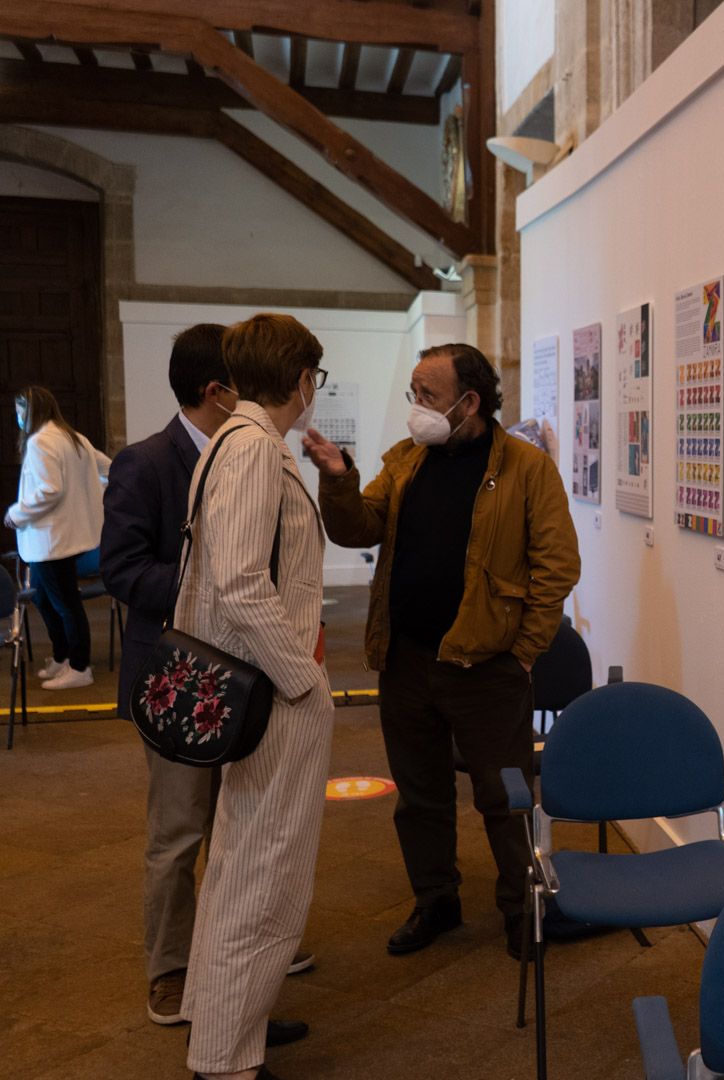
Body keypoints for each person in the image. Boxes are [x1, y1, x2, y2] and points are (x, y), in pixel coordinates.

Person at [307, 343, 579, 960]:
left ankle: (521, 910)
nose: (416, 408)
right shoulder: (406, 461)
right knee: (420, 794)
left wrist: (525, 652)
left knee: (503, 796)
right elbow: (358, 527)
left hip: (487, 667)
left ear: (470, 401)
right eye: (414, 393)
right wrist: (339, 478)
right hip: (406, 660)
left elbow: (557, 566)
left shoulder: (527, 469)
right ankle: (437, 900)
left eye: (427, 395)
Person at [99, 324, 313, 1029]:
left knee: (244, 830)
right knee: (180, 831)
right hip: (185, 676)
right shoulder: (148, 462)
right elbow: (124, 571)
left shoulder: (243, 449)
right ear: (215, 391)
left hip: (250, 677)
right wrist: (212, 589)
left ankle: (232, 965)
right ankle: (171, 969)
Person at [176, 313, 332, 1080]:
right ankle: (228, 1057)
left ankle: (223, 1019)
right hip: (269, 690)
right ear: (300, 379)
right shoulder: (253, 450)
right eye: (315, 378)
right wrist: (301, 678)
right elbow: (240, 582)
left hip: (252, 688)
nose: (313, 391)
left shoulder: (233, 444)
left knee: (242, 856)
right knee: (263, 867)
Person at [5, 385, 111, 690]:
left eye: (20, 411)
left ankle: (80, 666)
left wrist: (16, 514)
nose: (18, 417)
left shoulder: (42, 442)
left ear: (32, 410)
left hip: (51, 540)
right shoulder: (73, 437)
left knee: (66, 604)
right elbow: (108, 469)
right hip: (61, 538)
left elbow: (49, 491)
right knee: (43, 597)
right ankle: (63, 656)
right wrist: (87, 494)